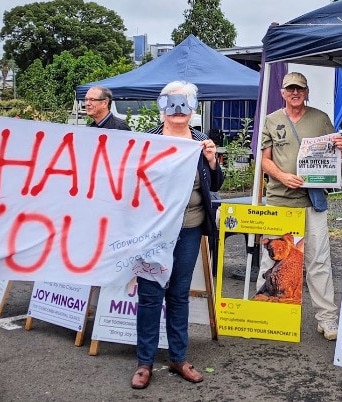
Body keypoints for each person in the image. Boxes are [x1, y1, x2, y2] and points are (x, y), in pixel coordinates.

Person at [131, 81, 224, 389]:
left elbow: (217, 184)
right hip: (155, 233)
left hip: (189, 229)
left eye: (184, 104)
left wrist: (212, 161)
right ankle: (144, 363)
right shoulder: (148, 143)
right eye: (172, 104)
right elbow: (132, 182)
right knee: (149, 294)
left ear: (193, 108)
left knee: (179, 294)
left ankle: (178, 357)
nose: (178, 111)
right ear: (162, 107)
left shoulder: (201, 142)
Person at [256, 72, 342, 341]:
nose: (295, 93)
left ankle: (327, 319)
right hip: (279, 200)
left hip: (312, 202)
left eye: (299, 89)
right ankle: (270, 316)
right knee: (273, 260)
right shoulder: (272, 120)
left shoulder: (320, 118)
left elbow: (337, 149)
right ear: (283, 93)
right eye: (290, 89)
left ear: (306, 92)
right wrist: (282, 176)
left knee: (318, 261)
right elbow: (265, 160)